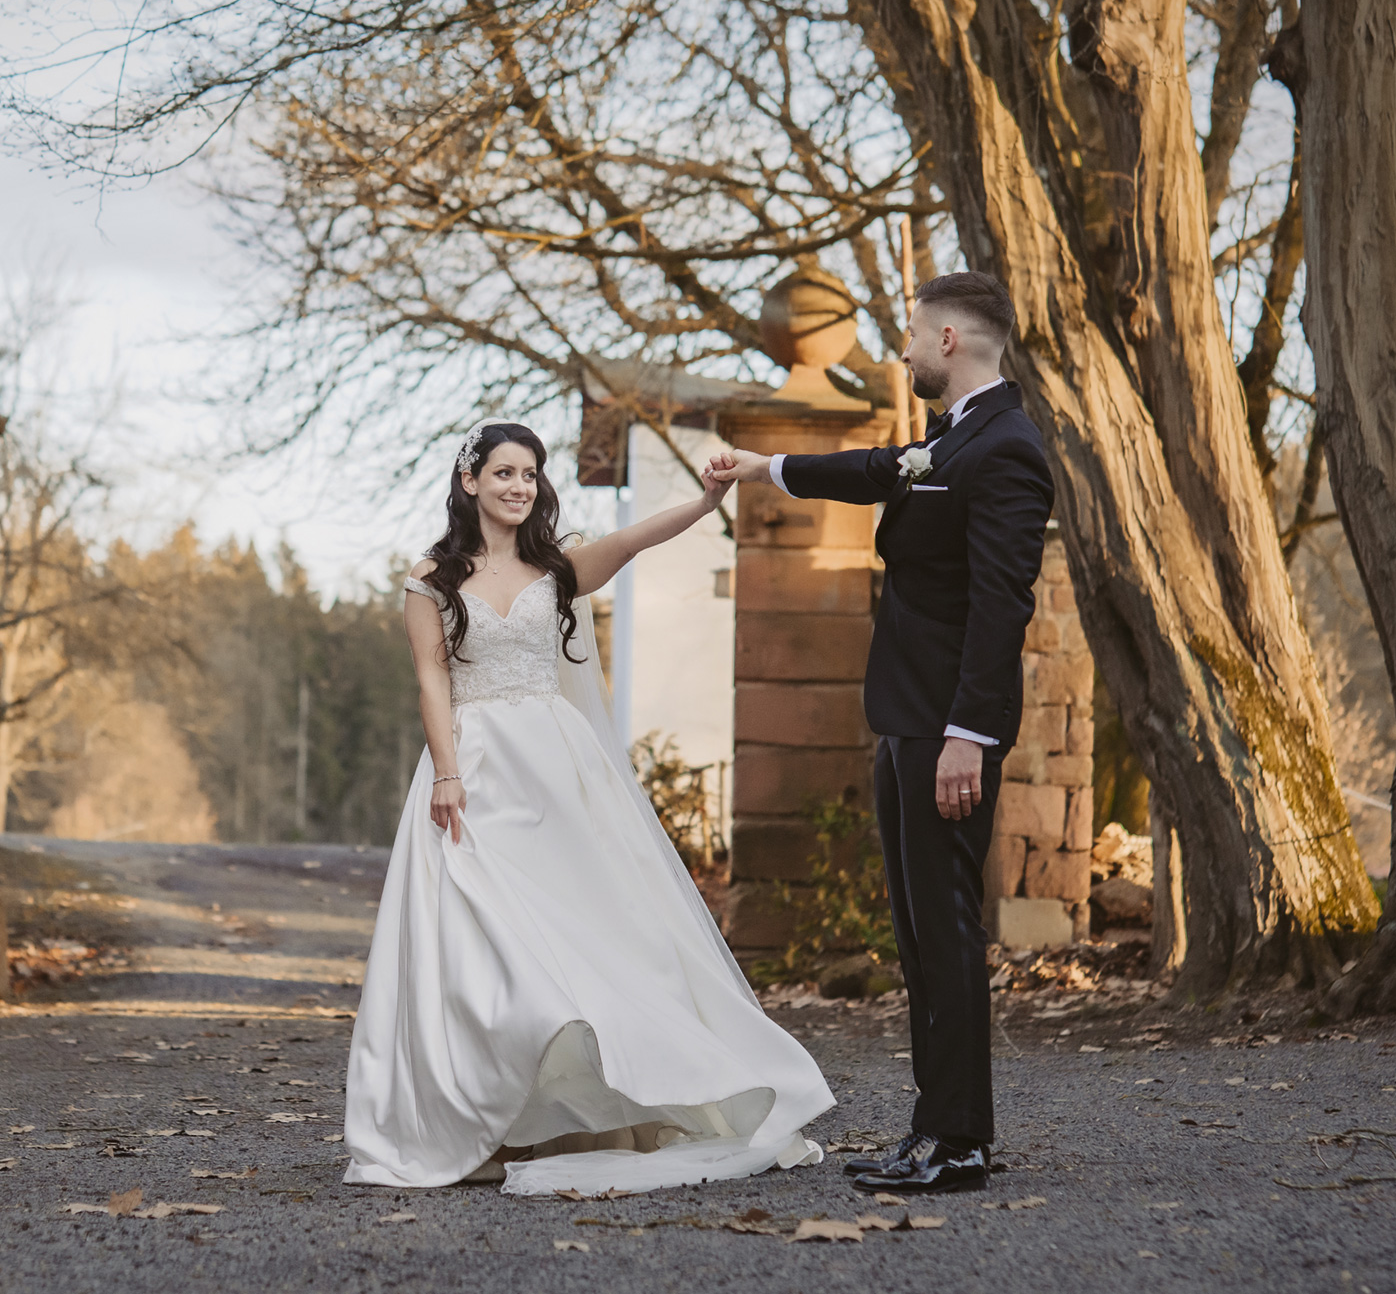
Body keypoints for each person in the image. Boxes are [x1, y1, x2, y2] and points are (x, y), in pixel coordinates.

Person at [343, 421, 834, 1195]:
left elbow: (637, 538)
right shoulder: (430, 579)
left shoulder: (557, 567)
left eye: (530, 474)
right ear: (469, 480)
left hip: (558, 773)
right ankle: (478, 1120)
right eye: (504, 472)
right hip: (475, 770)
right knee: (482, 945)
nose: (519, 486)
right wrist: (445, 771)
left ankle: (608, 1099)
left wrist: (708, 502)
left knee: (592, 935)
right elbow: (432, 678)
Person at [704, 270, 1053, 1196]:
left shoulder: (1007, 448)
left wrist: (968, 735)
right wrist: (763, 468)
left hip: (946, 728)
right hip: (905, 718)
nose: (900, 348)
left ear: (950, 340)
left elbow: (1000, 604)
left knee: (946, 931)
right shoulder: (954, 436)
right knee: (918, 935)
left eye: (911, 332)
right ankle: (934, 1130)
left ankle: (961, 1145)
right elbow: (871, 470)